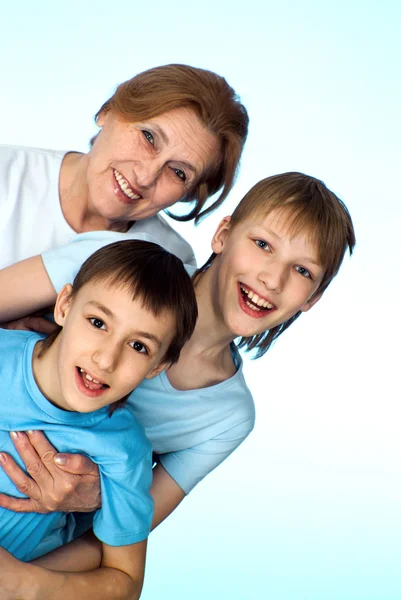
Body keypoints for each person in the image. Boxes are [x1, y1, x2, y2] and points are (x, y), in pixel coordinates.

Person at [0, 172, 356, 599]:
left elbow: (118, 543)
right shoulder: (121, 259)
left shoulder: (226, 418)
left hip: (32, 548)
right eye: (262, 244)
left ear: (312, 298)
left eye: (302, 270)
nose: (272, 279)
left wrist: (23, 580)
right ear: (223, 234)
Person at [0, 239, 197, 600]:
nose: (106, 360)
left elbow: (125, 580)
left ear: (158, 367)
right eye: (97, 322)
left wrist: (22, 584)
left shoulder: (123, 451)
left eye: (139, 346)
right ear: (64, 306)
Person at [0, 63, 248, 273]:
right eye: (149, 137)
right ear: (108, 110)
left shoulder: (171, 261)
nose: (145, 176)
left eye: (178, 172)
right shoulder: (6, 171)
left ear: (189, 193)